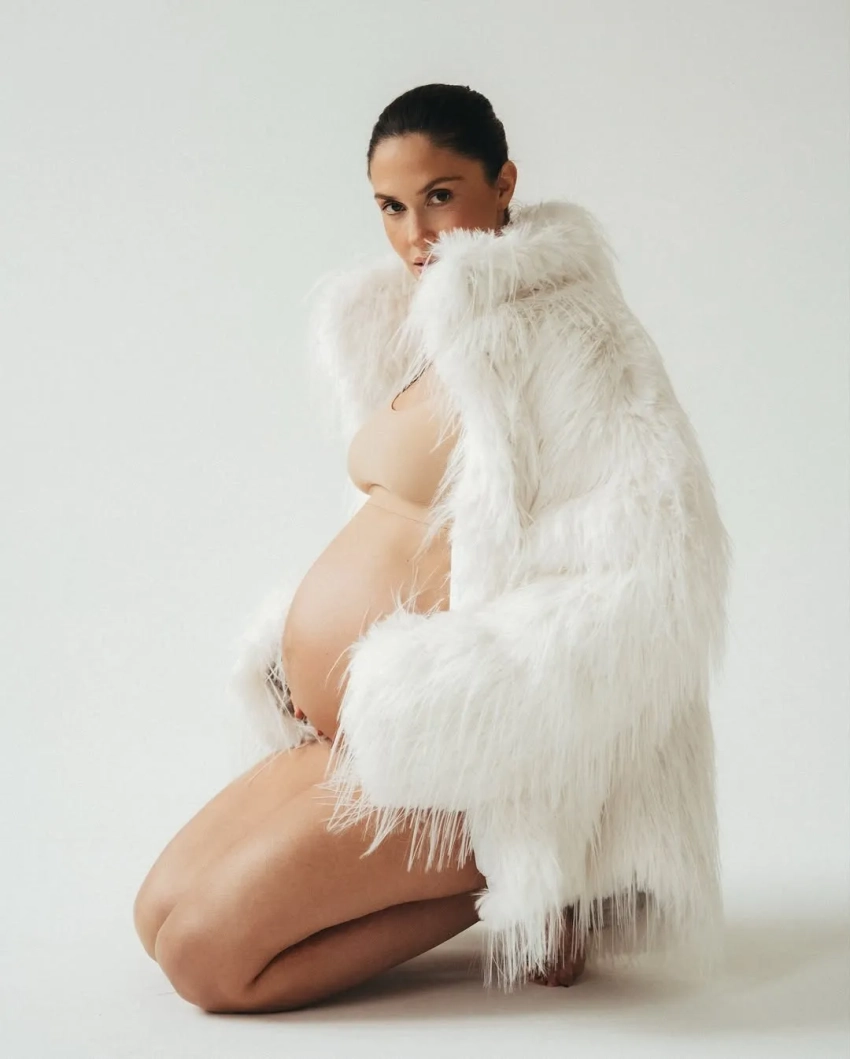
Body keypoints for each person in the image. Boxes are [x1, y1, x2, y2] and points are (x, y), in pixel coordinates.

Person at [134, 83, 730, 1013]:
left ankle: (541, 880)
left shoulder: (570, 333)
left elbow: (658, 571)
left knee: (208, 960)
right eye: (391, 206)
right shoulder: (422, 329)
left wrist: (442, 698)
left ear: (504, 184)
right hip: (353, 737)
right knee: (157, 917)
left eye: (440, 196)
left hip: (462, 759)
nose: (415, 234)